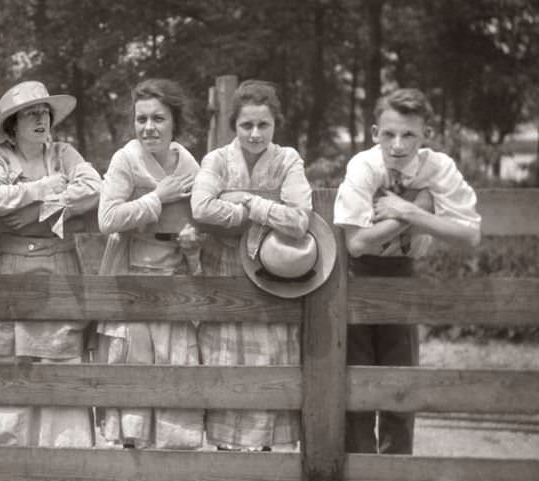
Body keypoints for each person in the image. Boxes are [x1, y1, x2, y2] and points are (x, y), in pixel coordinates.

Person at [334, 88, 481, 454]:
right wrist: (415, 211)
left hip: (404, 274)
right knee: (358, 383)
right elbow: (356, 243)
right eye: (388, 134)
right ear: (374, 133)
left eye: (409, 135)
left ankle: (397, 471)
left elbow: (470, 235)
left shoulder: (438, 167)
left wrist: (410, 211)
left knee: (402, 383)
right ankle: (361, 472)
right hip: (357, 277)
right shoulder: (363, 166)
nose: (398, 145)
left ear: (426, 135)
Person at [0, 80, 101, 447]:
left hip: (59, 267)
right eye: (30, 113)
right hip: (10, 270)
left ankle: (63, 460)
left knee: (60, 362)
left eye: (44, 112)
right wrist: (45, 188)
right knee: (8, 363)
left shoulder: (64, 153)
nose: (40, 118)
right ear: (12, 124)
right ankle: (4, 462)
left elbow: (94, 186)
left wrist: (37, 212)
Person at [191, 79, 311, 451]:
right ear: (235, 126)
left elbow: (299, 220)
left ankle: (266, 459)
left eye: (264, 125)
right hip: (224, 276)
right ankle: (226, 460)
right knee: (224, 365)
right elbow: (201, 207)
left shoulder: (288, 159)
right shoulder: (217, 160)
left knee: (270, 366)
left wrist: (248, 202)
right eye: (247, 125)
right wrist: (267, 212)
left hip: (272, 276)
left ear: (275, 125)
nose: (256, 134)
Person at [97, 78, 204, 449]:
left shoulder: (189, 163)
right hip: (130, 286)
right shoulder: (125, 160)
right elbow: (107, 218)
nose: (148, 127)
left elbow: (201, 218)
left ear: (175, 122)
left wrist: (191, 243)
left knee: (176, 388)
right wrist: (157, 197)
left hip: (174, 290)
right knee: (132, 393)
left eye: (158, 118)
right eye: (141, 119)